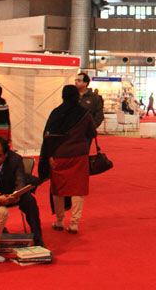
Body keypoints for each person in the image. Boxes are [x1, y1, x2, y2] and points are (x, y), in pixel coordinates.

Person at [40, 85, 97, 234]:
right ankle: (74, 223)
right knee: (78, 189)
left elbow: (47, 136)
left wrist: (49, 155)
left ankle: (59, 220)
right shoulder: (85, 114)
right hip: (79, 156)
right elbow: (92, 132)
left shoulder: (56, 113)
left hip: (58, 156)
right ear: (77, 96)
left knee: (58, 189)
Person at [0, 137, 44, 247]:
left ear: (6, 154)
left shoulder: (15, 160)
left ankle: (38, 238)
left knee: (29, 200)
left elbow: (20, 180)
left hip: (12, 193)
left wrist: (16, 194)